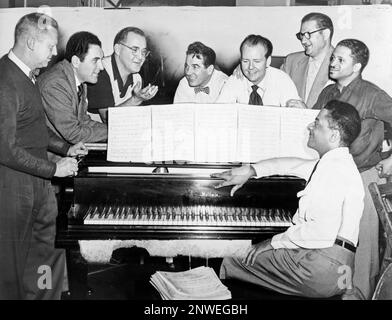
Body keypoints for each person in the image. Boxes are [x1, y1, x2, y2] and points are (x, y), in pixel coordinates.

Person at [213, 100, 364, 298]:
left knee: (232, 258)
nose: (311, 126)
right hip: (341, 268)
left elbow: (318, 231)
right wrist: (251, 170)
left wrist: (272, 242)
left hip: (320, 268)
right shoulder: (337, 163)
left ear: (334, 135)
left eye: (317, 123)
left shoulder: (333, 171)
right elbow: (291, 165)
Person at [0, 13, 87, 300]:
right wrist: (53, 169)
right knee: (12, 270)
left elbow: (34, 128)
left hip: (39, 186)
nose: (54, 53)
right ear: (30, 41)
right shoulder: (5, 81)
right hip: (14, 189)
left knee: (44, 259)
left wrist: (66, 148)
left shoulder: (28, 77)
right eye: (50, 47)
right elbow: (5, 149)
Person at [312, 39, 392, 299]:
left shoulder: (372, 94)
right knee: (336, 244)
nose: (332, 63)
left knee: (365, 248)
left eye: (340, 60)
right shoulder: (327, 93)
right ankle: (340, 292)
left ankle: (361, 295)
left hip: (362, 177)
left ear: (357, 66)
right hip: (330, 177)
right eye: (332, 57)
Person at [38, 31, 108, 149]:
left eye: (101, 60)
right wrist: (115, 133)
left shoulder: (79, 80)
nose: (101, 67)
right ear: (76, 61)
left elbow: (83, 121)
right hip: (51, 157)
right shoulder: (55, 84)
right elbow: (73, 133)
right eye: (95, 60)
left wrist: (116, 130)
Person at [87, 27, 158, 123]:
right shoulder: (100, 71)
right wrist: (136, 99)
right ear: (118, 49)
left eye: (143, 52)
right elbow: (107, 118)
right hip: (92, 135)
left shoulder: (137, 78)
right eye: (134, 50)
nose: (141, 57)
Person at [217, 34, 300, 106]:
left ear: (268, 61)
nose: (250, 67)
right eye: (245, 61)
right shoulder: (235, 79)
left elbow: (295, 114)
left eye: (256, 61)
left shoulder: (282, 80)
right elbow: (220, 112)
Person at [283, 12, 335, 109]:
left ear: (325, 34)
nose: (303, 41)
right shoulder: (291, 62)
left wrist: (306, 114)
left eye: (308, 34)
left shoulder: (342, 66)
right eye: (301, 35)